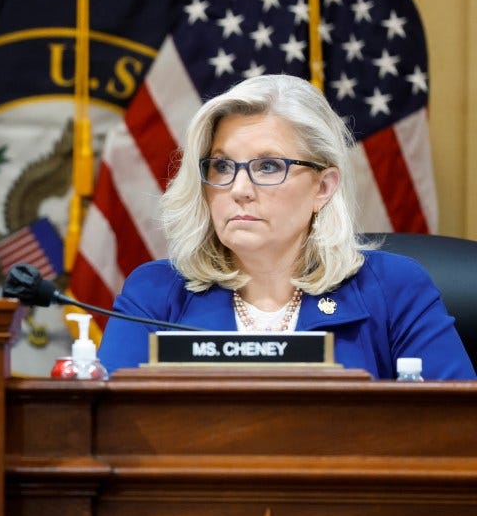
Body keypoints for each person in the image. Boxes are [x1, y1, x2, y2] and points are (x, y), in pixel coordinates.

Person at [97, 74, 474, 380]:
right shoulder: (154, 295)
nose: (239, 189)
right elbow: (111, 433)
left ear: (323, 188)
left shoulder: (395, 290)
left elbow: (457, 433)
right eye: (223, 166)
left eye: (268, 167)